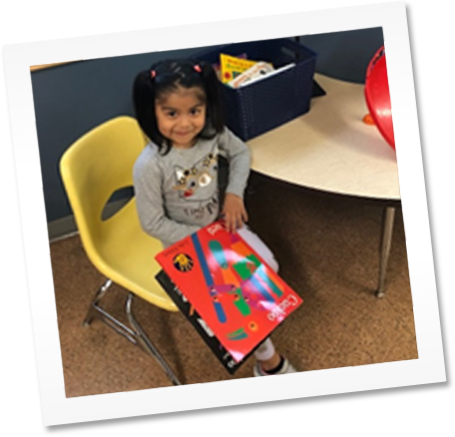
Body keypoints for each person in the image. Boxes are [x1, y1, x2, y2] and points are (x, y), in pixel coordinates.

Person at [132, 58, 297, 377]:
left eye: (194, 111)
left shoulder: (211, 134)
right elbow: (152, 223)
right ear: (152, 111)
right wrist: (203, 240)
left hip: (220, 228)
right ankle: (269, 361)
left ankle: (260, 343)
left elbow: (240, 153)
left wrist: (234, 193)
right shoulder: (150, 165)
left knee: (269, 268)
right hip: (183, 246)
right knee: (236, 298)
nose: (185, 123)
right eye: (171, 113)